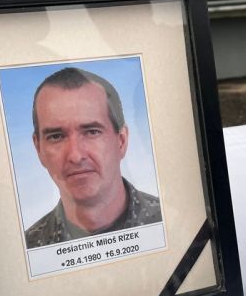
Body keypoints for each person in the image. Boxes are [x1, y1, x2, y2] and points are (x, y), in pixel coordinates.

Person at [25, 67, 162, 249]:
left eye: (91, 132)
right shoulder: (27, 248)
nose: (75, 156)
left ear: (121, 141)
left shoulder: (171, 223)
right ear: (39, 149)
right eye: (56, 136)